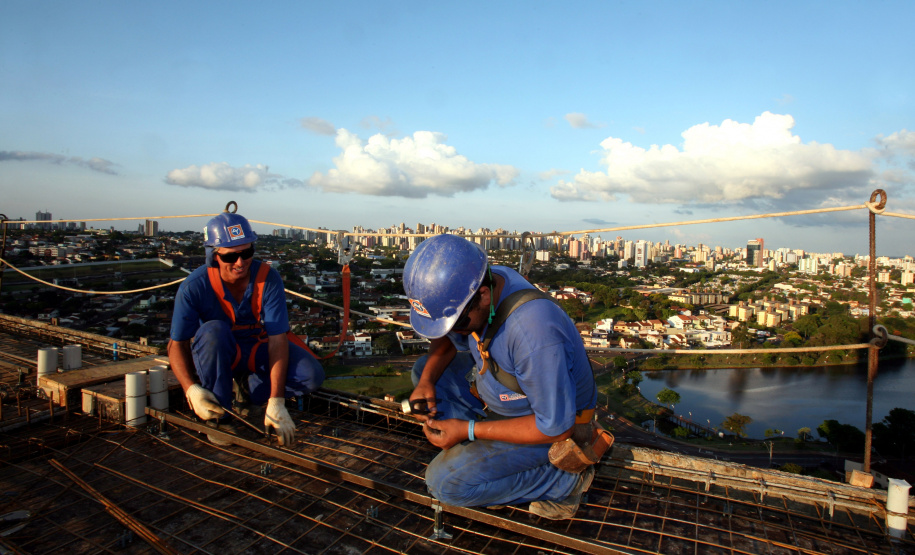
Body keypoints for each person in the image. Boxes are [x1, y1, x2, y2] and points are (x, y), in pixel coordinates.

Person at [403, 234, 598, 519]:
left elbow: (556, 428)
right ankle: (480, 448)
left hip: (548, 427)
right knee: (426, 369)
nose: (455, 332)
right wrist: (426, 383)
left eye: (457, 324)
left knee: (444, 484)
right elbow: (447, 337)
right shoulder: (489, 281)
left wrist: (468, 430)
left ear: (482, 295)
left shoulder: (534, 332)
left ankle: (564, 481)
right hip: (501, 398)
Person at [168, 211, 324, 445]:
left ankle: (248, 392)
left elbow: (278, 339)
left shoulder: (267, 278)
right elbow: (176, 344)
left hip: (254, 347)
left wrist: (276, 400)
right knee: (214, 332)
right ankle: (220, 417)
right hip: (218, 352)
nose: (240, 262)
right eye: (231, 257)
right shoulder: (194, 287)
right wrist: (190, 389)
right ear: (214, 255)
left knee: (311, 375)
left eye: (247, 253)